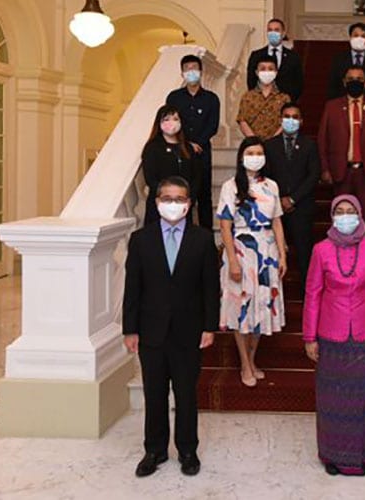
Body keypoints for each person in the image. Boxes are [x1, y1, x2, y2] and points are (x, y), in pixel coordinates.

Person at [123, 175, 220, 478]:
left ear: (189, 204)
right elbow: (133, 288)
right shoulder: (141, 240)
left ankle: (188, 450)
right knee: (154, 394)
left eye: (180, 199)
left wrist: (209, 326)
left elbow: (210, 288)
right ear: (157, 202)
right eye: (167, 199)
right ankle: (154, 450)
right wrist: (130, 329)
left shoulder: (203, 239)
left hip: (188, 332)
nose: (173, 204)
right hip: (150, 332)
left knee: (186, 394)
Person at [303, 194, 365, 476]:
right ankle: (331, 454)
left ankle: (362, 455)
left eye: (350, 210)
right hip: (330, 333)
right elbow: (312, 294)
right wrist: (309, 337)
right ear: (332, 216)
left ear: (360, 214)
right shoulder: (320, 250)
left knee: (362, 396)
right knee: (332, 397)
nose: (345, 216)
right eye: (339, 211)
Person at [217, 136, 287, 387]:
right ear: (241, 156)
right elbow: (224, 225)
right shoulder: (230, 186)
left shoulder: (272, 186)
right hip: (241, 250)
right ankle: (244, 364)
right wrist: (233, 261)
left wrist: (282, 253)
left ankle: (252, 358)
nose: (255, 157)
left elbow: (277, 221)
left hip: (267, 251)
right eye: (250, 152)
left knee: (262, 306)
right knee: (241, 307)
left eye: (259, 152)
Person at [318, 65, 365, 231]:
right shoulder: (332, 107)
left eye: (359, 79)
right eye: (351, 79)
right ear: (344, 82)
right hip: (341, 172)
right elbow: (323, 140)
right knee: (340, 220)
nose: (355, 82)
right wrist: (324, 169)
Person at [264, 103, 321, 296]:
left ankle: (307, 294)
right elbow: (265, 176)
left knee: (304, 253)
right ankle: (275, 293)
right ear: (281, 120)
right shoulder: (270, 145)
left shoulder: (310, 145)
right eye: (287, 116)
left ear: (301, 121)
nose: (291, 120)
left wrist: (293, 199)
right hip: (275, 209)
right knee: (274, 251)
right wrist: (278, 200)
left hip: (301, 207)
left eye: (295, 117)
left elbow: (314, 175)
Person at [166, 54, 221, 230]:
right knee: (183, 193)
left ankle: (207, 236)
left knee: (204, 196)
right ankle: (184, 232)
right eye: (187, 69)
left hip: (203, 153)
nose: (191, 72)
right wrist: (187, 143)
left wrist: (198, 142)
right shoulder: (174, 98)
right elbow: (170, 122)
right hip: (180, 152)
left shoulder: (211, 99)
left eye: (194, 68)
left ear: (201, 71)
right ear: (182, 73)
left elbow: (213, 125)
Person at [140, 105, 202, 226]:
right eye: (166, 119)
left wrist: (189, 198)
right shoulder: (152, 147)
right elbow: (150, 178)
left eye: (175, 119)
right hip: (160, 205)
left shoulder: (188, 148)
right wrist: (167, 199)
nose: (171, 122)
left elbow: (196, 176)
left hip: (183, 204)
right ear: (159, 123)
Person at [327, 22, 365, 101]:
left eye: (363, 36)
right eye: (356, 35)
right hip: (344, 104)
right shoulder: (339, 59)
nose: (359, 39)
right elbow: (333, 86)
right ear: (350, 38)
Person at [246, 18, 304, 102]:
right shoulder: (256, 55)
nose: (273, 33)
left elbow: (299, 83)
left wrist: (288, 100)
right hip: (261, 103)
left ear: (283, 33)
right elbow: (251, 81)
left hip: (285, 104)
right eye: (270, 30)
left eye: (276, 30)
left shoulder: (293, 57)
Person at [237, 54, 291, 141]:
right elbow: (242, 120)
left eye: (270, 69)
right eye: (263, 69)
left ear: (276, 72)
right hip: (253, 145)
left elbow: (286, 122)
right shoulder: (247, 97)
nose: (267, 72)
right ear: (257, 72)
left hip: (276, 144)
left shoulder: (284, 98)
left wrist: (273, 141)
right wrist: (254, 141)